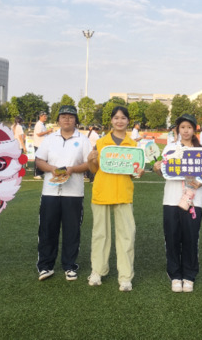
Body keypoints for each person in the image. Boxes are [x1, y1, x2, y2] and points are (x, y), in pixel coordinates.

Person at [87, 106, 144, 291]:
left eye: (123, 118)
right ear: (111, 120)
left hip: (123, 193)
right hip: (102, 191)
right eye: (116, 118)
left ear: (128, 121)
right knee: (100, 234)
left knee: (126, 235)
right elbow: (94, 170)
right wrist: (90, 160)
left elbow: (134, 173)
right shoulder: (101, 142)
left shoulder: (133, 145)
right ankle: (97, 271)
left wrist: (139, 172)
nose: (119, 121)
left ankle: (125, 276)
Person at [34, 106, 91, 282]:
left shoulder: (83, 140)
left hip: (74, 193)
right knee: (47, 229)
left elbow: (89, 163)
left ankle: (70, 266)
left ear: (76, 120)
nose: (67, 119)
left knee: (72, 231)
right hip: (50, 191)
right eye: (63, 116)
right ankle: (45, 266)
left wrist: (72, 169)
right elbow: (39, 160)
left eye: (71, 117)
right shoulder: (50, 139)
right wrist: (52, 168)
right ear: (58, 119)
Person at [153, 114, 202, 293]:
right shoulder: (170, 148)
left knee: (191, 238)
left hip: (193, 201)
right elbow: (164, 173)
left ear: (194, 129)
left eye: (189, 127)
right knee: (172, 237)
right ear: (178, 129)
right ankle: (175, 274)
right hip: (171, 200)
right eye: (182, 127)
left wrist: (199, 182)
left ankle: (189, 275)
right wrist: (157, 168)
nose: (186, 131)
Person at [33, 111, 53, 180]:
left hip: (42, 145)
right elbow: (38, 134)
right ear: (40, 117)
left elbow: (44, 134)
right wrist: (48, 131)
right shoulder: (38, 124)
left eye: (46, 116)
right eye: (44, 116)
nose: (45, 117)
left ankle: (41, 173)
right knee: (38, 159)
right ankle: (36, 174)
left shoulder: (43, 124)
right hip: (38, 144)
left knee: (43, 160)